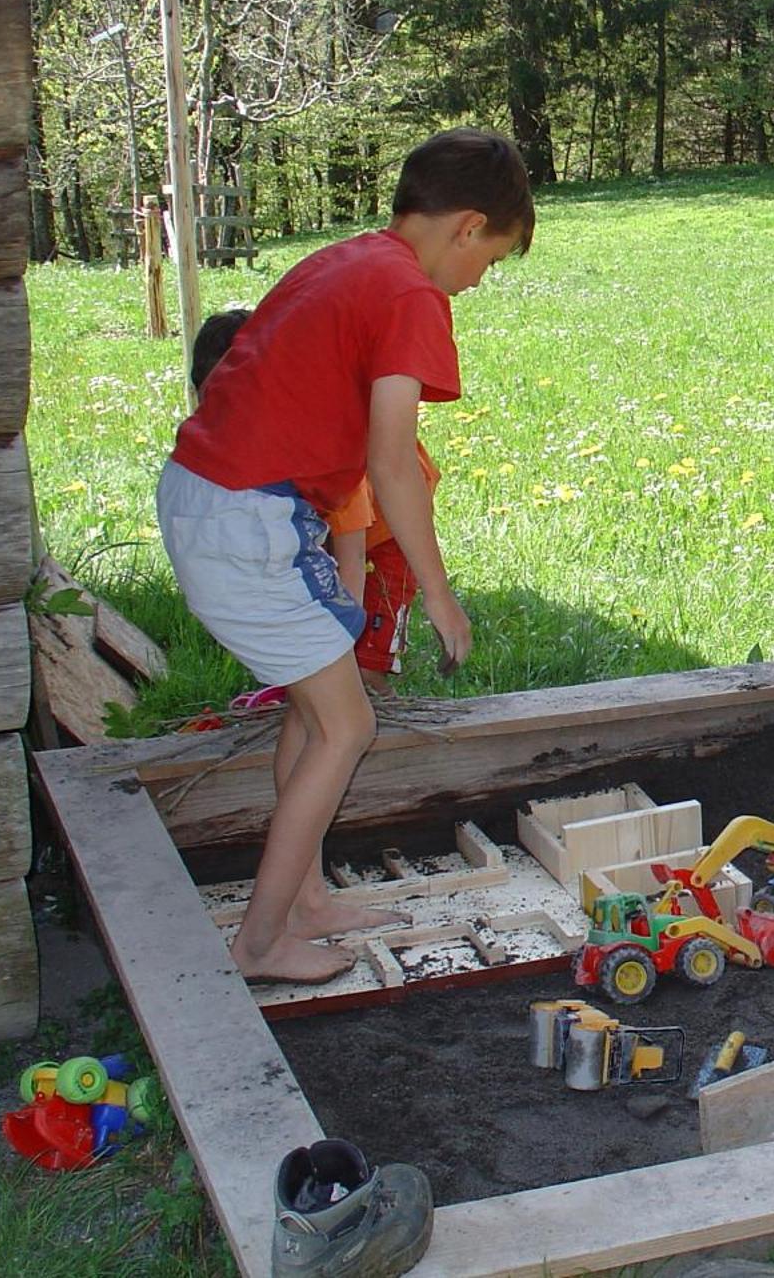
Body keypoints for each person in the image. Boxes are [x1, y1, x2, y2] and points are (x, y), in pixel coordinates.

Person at [157, 128, 533, 984]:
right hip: (250, 514)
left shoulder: (351, 258)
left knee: (314, 708)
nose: (479, 280)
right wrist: (439, 596)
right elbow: (392, 457)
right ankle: (259, 944)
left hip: (217, 497)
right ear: (469, 226)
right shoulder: (410, 294)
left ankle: (308, 898)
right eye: (492, 260)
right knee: (346, 724)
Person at [193, 308, 442, 698]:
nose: (233, 417)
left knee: (362, 664)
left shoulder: (329, 452)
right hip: (322, 531)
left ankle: (377, 716)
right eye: (218, 406)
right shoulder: (232, 452)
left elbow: (352, 561)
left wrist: (334, 648)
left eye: (245, 399)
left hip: (388, 535)